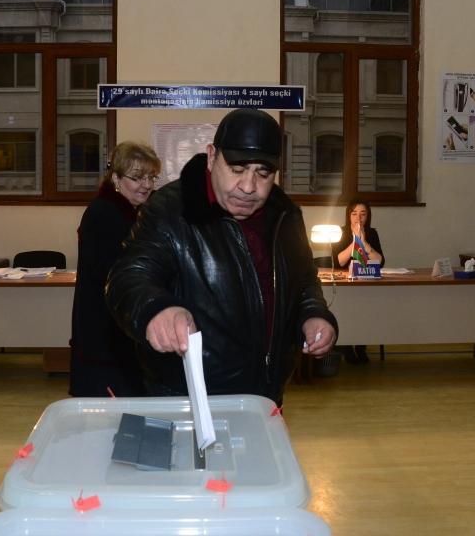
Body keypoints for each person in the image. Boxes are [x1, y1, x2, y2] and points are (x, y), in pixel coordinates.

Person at [106, 109, 338, 406]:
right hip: (188, 398)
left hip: (265, 396)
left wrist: (313, 314)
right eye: (237, 169)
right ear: (212, 157)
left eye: (263, 174)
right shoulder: (169, 210)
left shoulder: (285, 215)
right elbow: (128, 276)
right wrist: (154, 308)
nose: (249, 187)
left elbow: (304, 280)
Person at [69, 142, 162, 397]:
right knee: (112, 408)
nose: (146, 185)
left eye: (151, 177)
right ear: (116, 178)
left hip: (119, 328)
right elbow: (115, 273)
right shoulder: (104, 213)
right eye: (137, 177)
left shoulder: (134, 211)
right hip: (106, 333)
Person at [331, 198, 384, 364]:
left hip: (365, 282)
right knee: (346, 309)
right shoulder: (340, 232)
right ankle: (346, 346)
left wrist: (364, 242)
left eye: (363, 214)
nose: (358, 218)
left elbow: (380, 261)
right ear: (348, 215)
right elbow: (339, 261)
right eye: (354, 214)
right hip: (344, 285)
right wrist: (355, 241)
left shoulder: (372, 233)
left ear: (368, 216)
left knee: (365, 308)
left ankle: (361, 345)